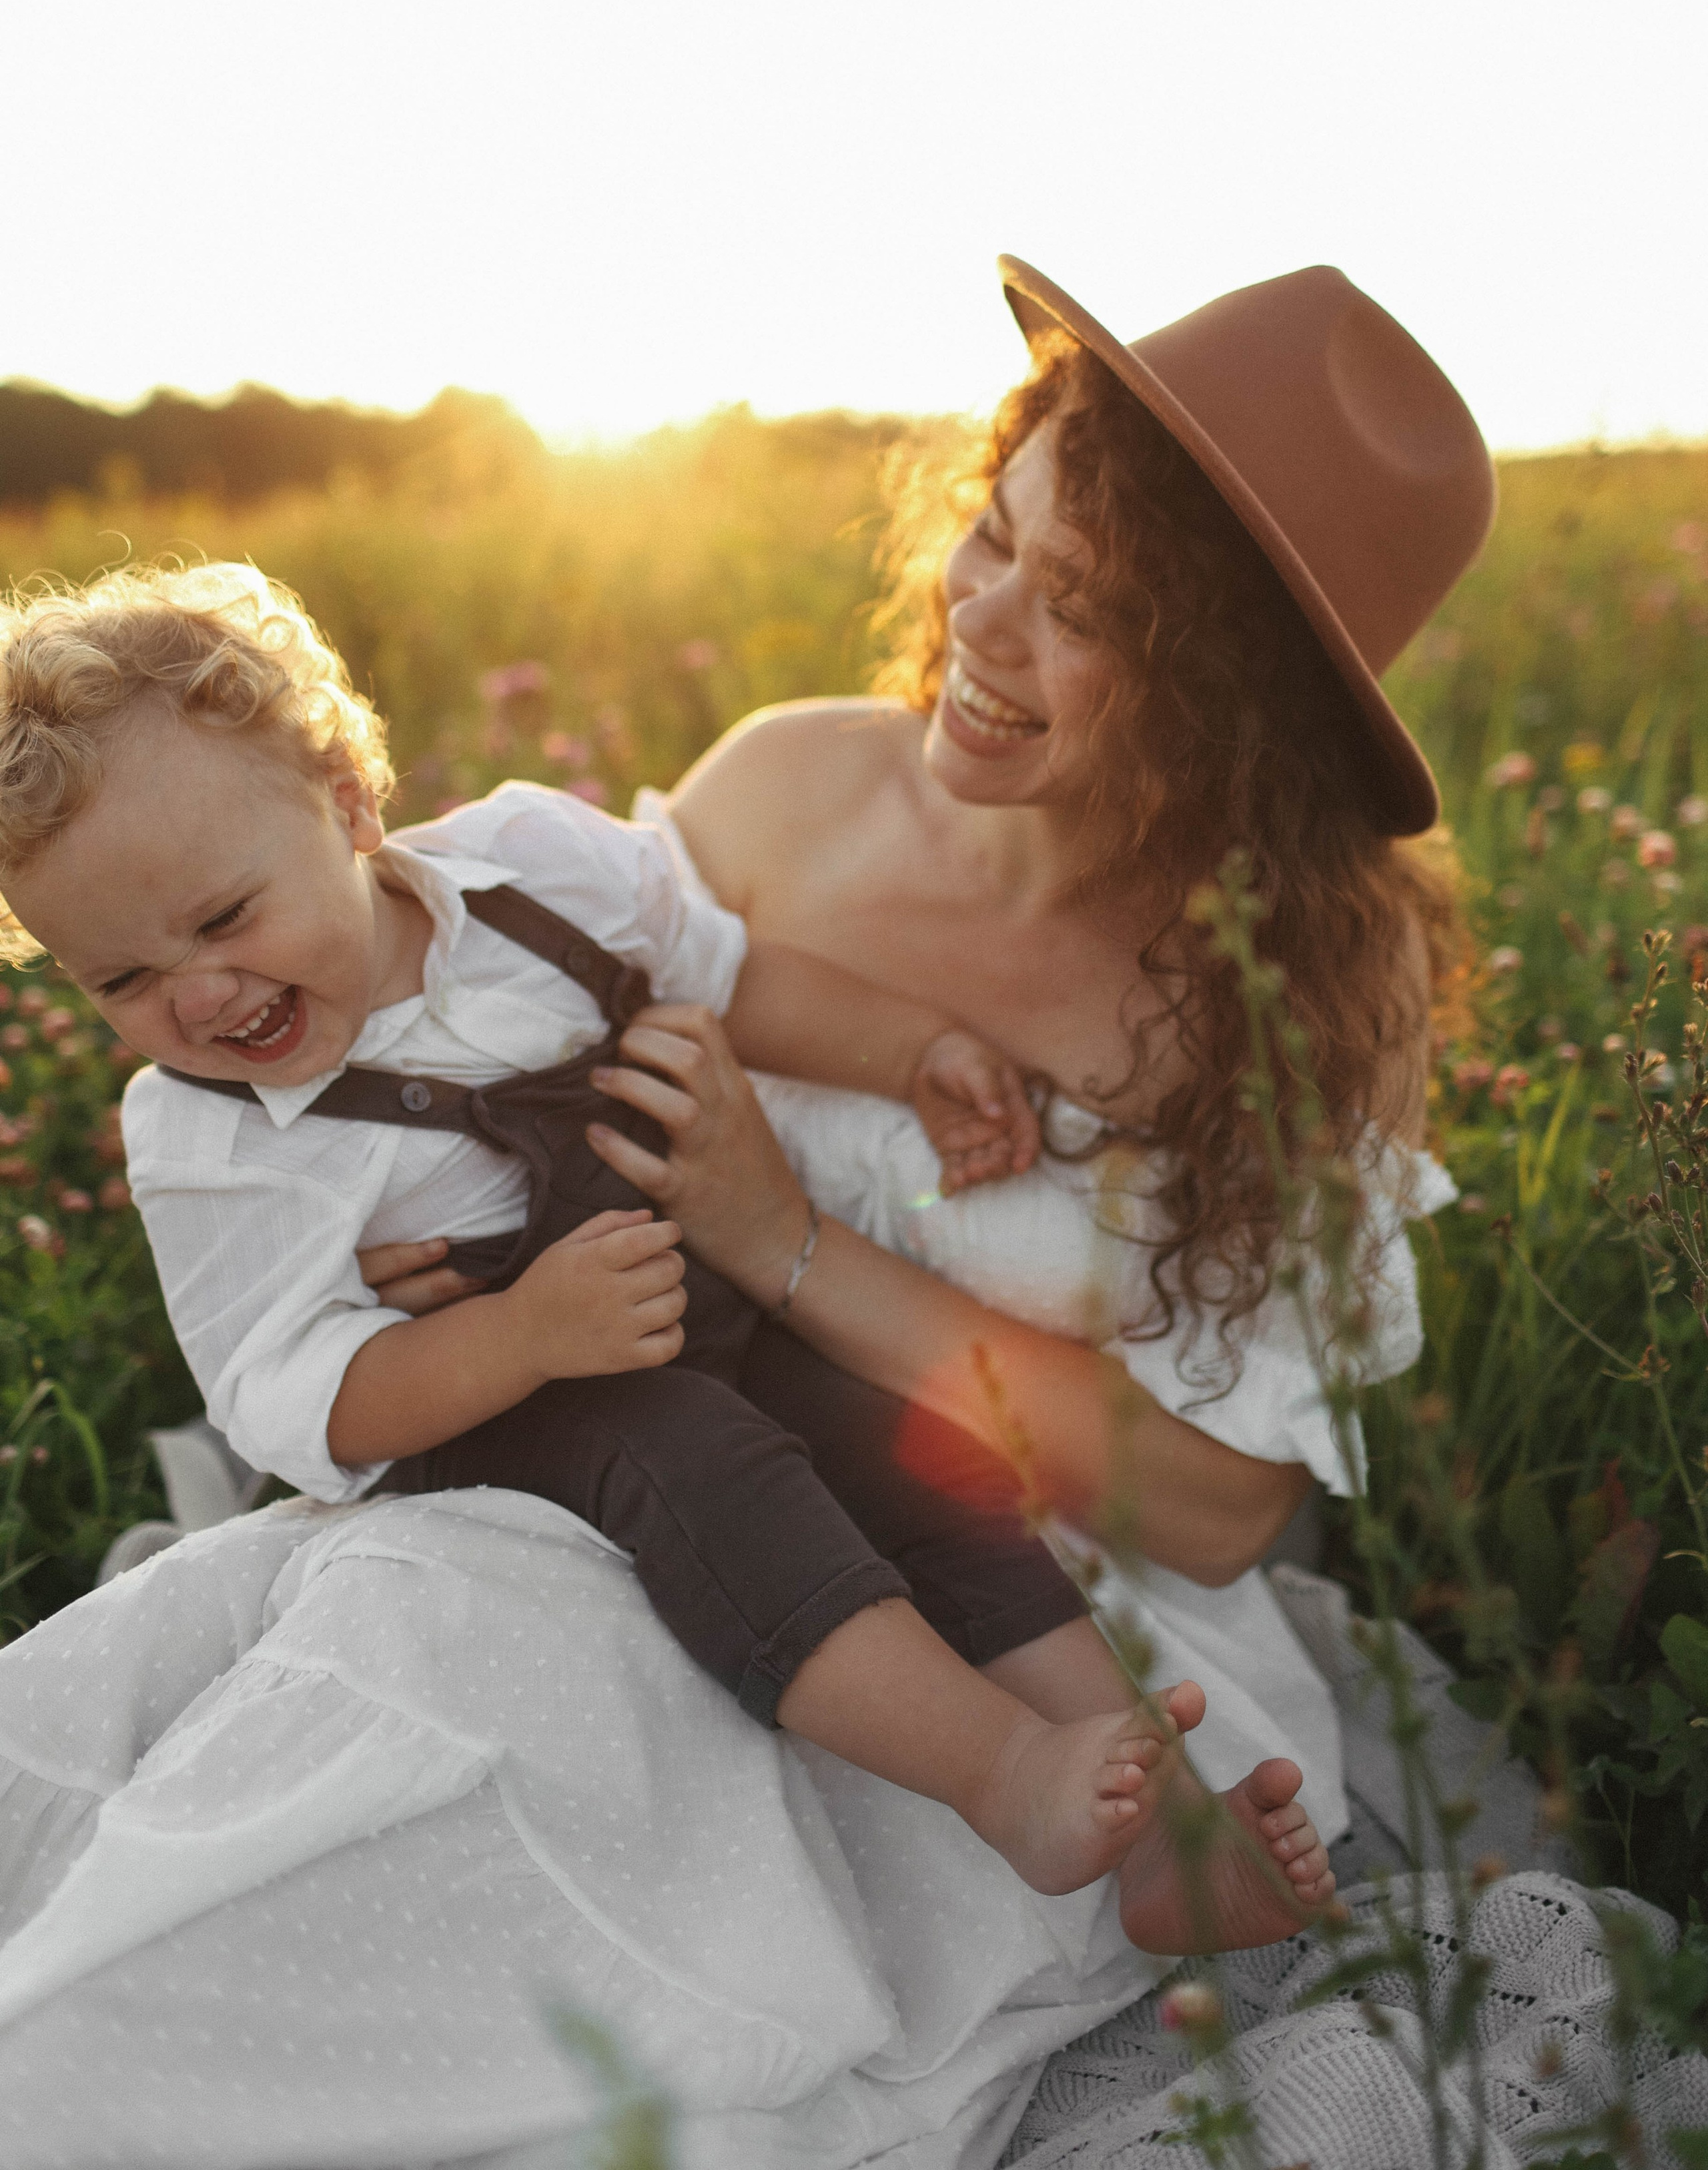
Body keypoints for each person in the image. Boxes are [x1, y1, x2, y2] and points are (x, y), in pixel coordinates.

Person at [0, 257, 1492, 2170]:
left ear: (1236, 707)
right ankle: (78, 2072)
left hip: (1011, 1586)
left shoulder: (1275, 1009)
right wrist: (448, 1267)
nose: (985, 623)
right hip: (574, 1468)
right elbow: (505, 1013)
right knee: (394, 1696)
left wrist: (783, 1239)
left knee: (564, 1819)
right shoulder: (784, 779)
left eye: (1088, 610)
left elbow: (1217, 1505)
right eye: (992, 539)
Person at [0, 561, 1330, 1929]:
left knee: (912, 1442)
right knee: (692, 1456)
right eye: (123, 980)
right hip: (516, 1407)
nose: (202, 995)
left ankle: (1164, 1821)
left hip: (698, 1310)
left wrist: (912, 1052)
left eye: (225, 918)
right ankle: (999, 1775)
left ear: (345, 805)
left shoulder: (536, 869)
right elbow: (280, 1395)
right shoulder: (210, 1139)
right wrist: (514, 1338)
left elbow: (728, 976)